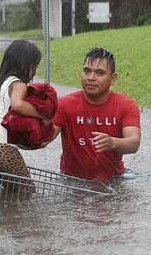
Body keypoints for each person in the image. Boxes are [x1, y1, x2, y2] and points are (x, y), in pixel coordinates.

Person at [50, 48, 141, 181]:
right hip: (71, 180)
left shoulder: (126, 105)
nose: (91, 78)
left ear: (113, 78)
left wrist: (113, 142)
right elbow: (45, 138)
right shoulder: (64, 104)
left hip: (113, 180)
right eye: (87, 71)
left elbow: (133, 143)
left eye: (99, 73)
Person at [0, 40, 43, 193]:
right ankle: (16, 217)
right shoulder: (18, 84)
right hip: (3, 148)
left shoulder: (1, 82)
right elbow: (18, 105)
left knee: (11, 191)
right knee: (28, 191)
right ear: (24, 64)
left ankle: (6, 215)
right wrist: (42, 114)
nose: (35, 71)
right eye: (34, 66)